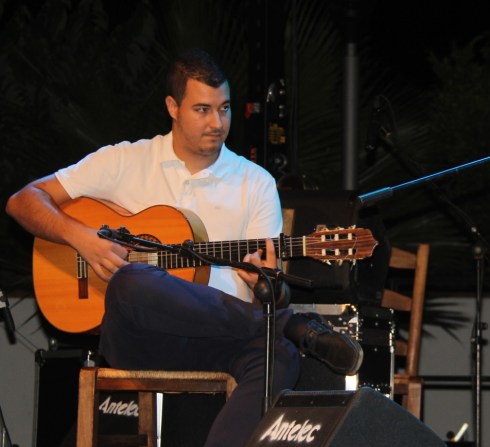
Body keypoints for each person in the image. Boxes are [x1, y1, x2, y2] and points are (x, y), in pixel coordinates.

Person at [5, 48, 363, 447]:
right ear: (172, 107)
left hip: (217, 340)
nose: (217, 123)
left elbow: (270, 291)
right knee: (132, 280)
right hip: (140, 339)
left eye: (224, 109)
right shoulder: (124, 160)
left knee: (280, 358)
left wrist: (266, 286)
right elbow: (23, 201)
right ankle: (288, 326)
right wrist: (80, 237)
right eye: (202, 110)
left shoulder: (255, 183)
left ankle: (281, 328)